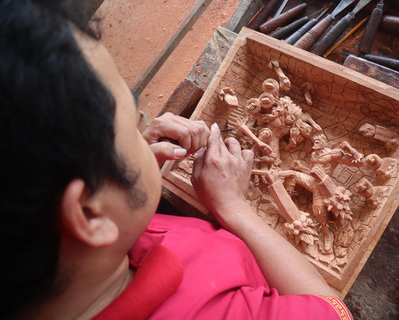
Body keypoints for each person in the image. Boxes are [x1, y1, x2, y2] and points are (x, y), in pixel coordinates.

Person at [0, 0, 353, 319]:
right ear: (90, 213)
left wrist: (125, 177)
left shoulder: (73, 254)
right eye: (133, 120)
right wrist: (234, 207)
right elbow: (332, 311)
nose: (144, 132)